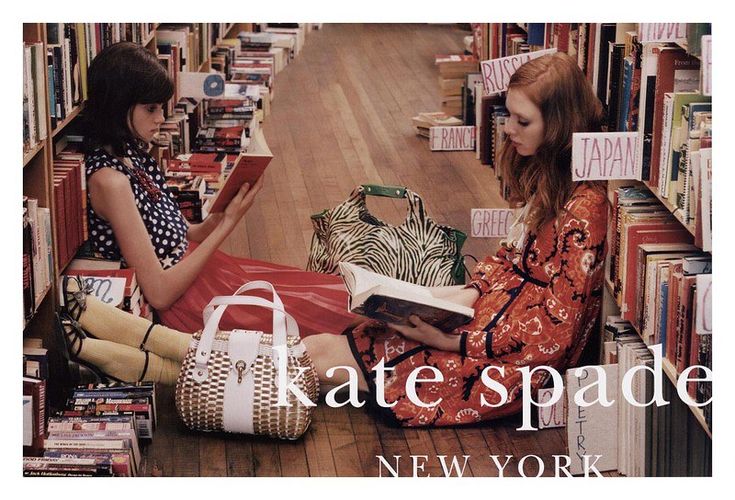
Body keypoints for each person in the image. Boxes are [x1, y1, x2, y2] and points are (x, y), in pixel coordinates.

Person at [61, 51, 608, 428]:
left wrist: (456, 336)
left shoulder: (583, 211)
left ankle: (136, 349)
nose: (506, 131)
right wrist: (465, 297)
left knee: (319, 341)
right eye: (506, 116)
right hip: (488, 324)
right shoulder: (117, 172)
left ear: (556, 125)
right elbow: (520, 274)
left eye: (519, 121)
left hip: (496, 352)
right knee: (324, 328)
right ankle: (137, 347)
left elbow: (549, 333)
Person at [81, 41, 356, 337]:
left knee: (332, 295)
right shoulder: (110, 181)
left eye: (161, 108)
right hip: (191, 301)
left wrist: (227, 206)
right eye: (151, 109)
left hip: (205, 273)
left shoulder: (132, 153)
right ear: (119, 103)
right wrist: (228, 223)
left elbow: (186, 233)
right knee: (324, 315)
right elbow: (159, 293)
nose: (161, 119)